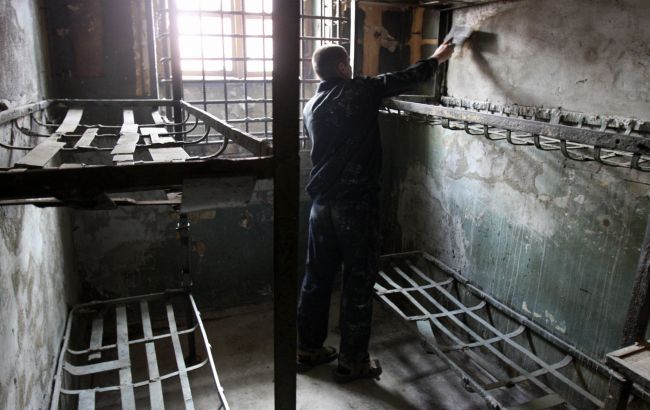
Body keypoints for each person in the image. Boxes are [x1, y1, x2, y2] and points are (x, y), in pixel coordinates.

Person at [297, 39, 456, 382]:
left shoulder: (310, 105)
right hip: (356, 205)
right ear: (342, 67)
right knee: (358, 281)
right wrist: (437, 58)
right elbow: (404, 78)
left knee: (316, 279)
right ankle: (352, 361)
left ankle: (308, 348)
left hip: (321, 206)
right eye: (348, 64)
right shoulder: (358, 91)